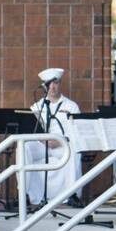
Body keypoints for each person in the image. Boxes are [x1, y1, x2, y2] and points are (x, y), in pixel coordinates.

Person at [26, 68, 82, 207]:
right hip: (42, 144)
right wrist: (43, 140)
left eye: (55, 82)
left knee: (74, 149)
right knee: (24, 147)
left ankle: (72, 195)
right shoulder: (37, 106)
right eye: (48, 83)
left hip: (62, 145)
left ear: (60, 83)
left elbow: (76, 132)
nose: (52, 86)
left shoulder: (71, 106)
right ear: (44, 86)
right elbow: (32, 130)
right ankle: (25, 193)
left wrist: (59, 141)